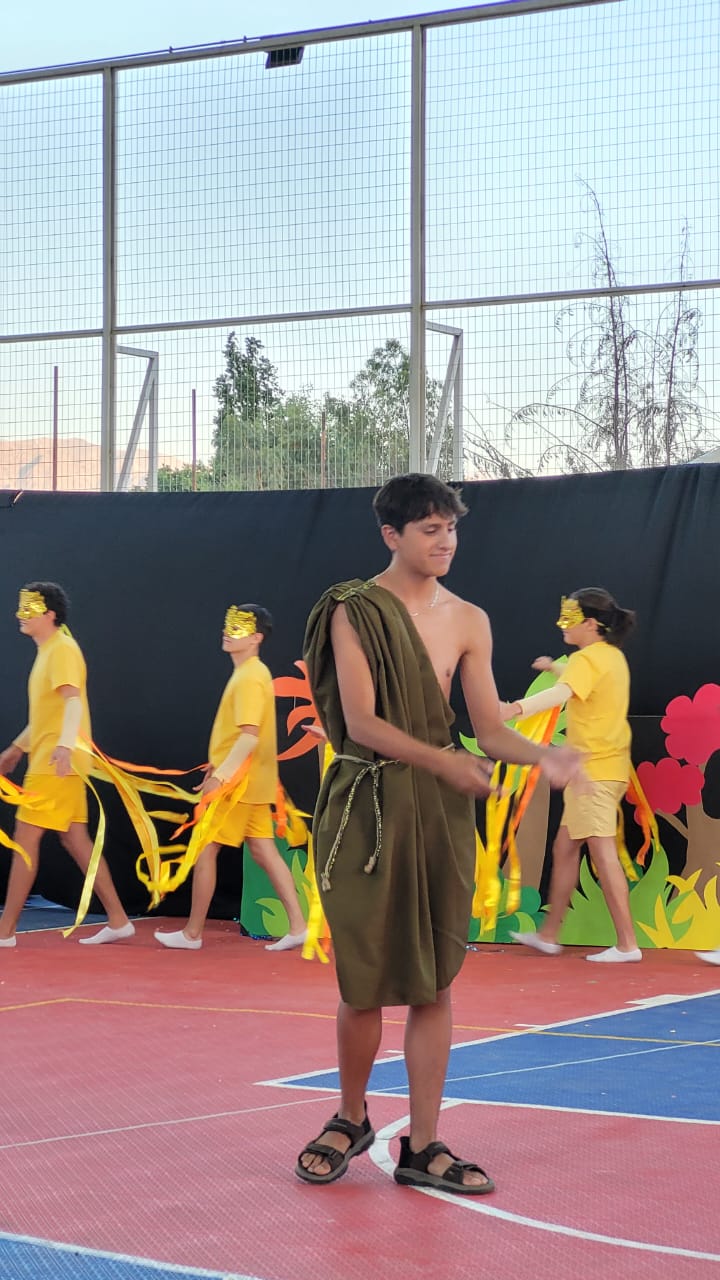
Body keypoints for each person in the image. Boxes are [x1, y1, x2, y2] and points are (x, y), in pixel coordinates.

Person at [295, 474, 582, 1195]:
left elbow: (487, 730)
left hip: (438, 813)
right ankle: (350, 1117)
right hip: (365, 805)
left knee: (432, 981)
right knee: (363, 979)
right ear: (391, 535)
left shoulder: (470, 620)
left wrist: (543, 756)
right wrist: (447, 762)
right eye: (429, 529)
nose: (445, 540)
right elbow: (361, 724)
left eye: (450, 527)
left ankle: (422, 1145)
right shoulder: (355, 609)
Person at [154, 604, 307, 952]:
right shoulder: (251, 673)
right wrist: (218, 766)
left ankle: (192, 934)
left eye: (239, 627)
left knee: (206, 849)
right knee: (264, 851)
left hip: (239, 785)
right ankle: (298, 926)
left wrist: (222, 776)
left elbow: (249, 736)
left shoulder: (251, 676)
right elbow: (243, 736)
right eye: (228, 625)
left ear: (256, 638)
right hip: (251, 782)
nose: (228, 632)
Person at [501, 587, 641, 964]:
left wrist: (513, 709)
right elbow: (580, 682)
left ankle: (627, 944)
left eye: (569, 618)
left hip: (593, 773)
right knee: (565, 848)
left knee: (602, 852)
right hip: (604, 770)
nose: (561, 624)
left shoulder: (587, 659)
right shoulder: (610, 657)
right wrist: (555, 668)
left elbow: (561, 694)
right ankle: (549, 935)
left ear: (590, 624)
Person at [0, 582, 134, 947]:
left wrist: (62, 746)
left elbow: (73, 702)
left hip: (55, 763)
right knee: (76, 840)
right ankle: (119, 919)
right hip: (59, 759)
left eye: (28, 608)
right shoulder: (50, 651)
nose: (20, 615)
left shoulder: (61, 650)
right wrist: (16, 749)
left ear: (49, 614)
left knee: (25, 839)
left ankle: (5, 931)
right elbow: (49, 715)